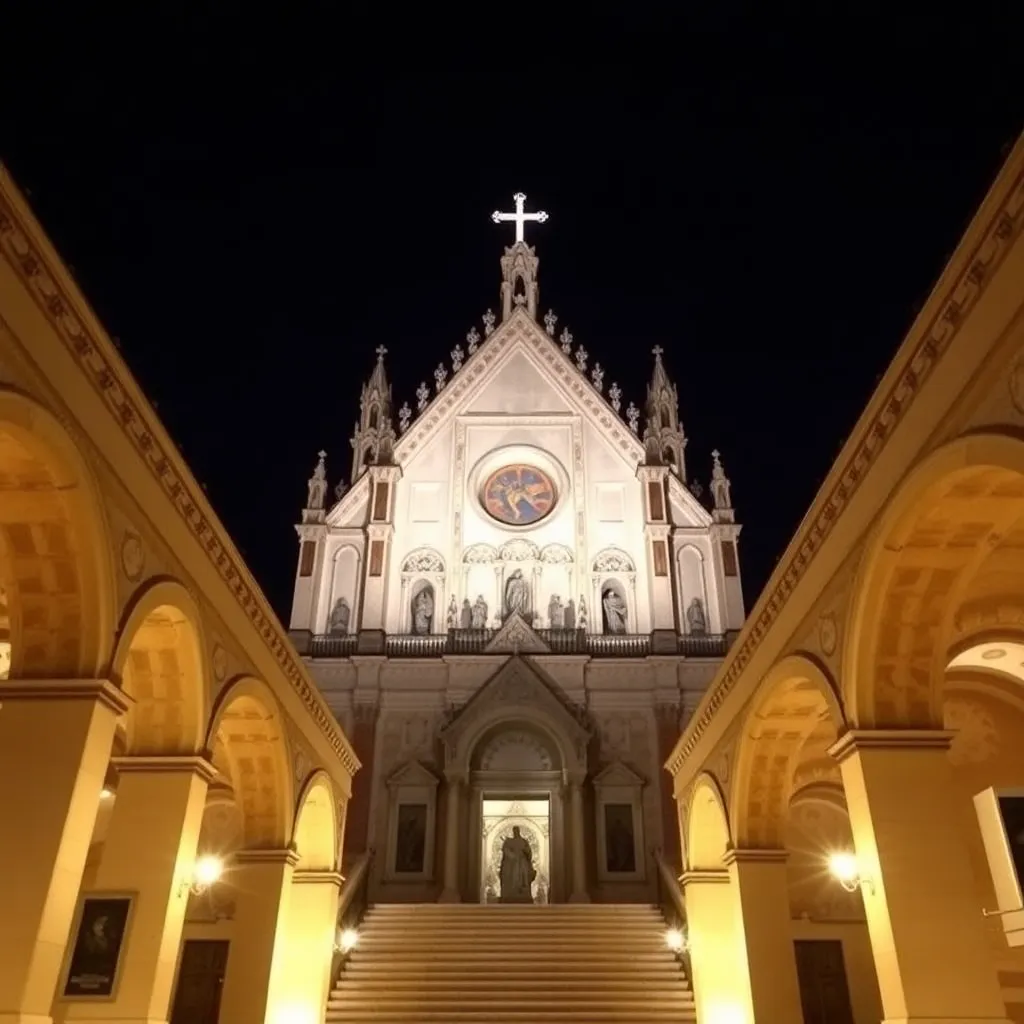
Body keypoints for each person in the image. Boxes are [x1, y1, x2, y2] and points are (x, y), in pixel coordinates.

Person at [499, 825, 536, 903]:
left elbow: (529, 852)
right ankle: (511, 891)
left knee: (523, 877)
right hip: (511, 865)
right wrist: (512, 856)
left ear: (519, 831)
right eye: (514, 830)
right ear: (513, 832)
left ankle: (522, 890)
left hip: (522, 863)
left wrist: (526, 850)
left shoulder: (524, 841)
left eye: (517, 830)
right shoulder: (509, 841)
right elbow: (505, 850)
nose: (516, 832)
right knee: (512, 876)